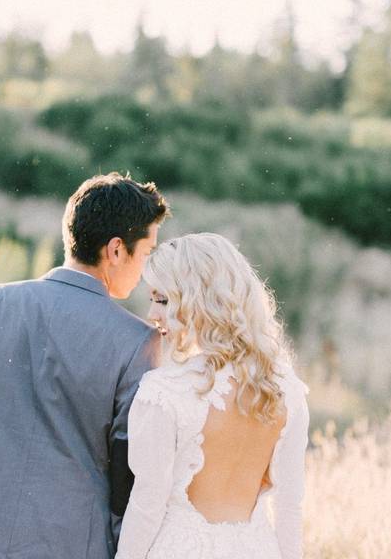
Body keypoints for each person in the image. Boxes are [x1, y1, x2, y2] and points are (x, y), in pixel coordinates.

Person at [0, 173, 169, 558]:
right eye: (147, 253)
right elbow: (127, 475)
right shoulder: (137, 342)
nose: (145, 269)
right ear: (117, 250)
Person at [116, 233, 309, 559]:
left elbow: (146, 507)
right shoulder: (286, 390)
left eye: (162, 299)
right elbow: (289, 509)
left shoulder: (164, 393)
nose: (152, 313)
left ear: (197, 299)